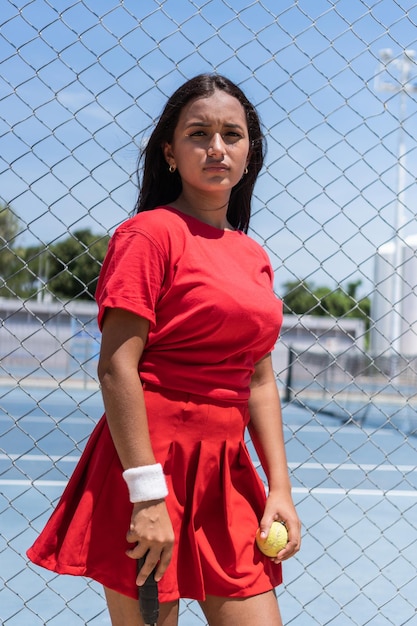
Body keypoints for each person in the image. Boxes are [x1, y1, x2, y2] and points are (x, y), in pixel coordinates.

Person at [27, 73, 301, 626]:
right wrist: (147, 495)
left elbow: (258, 379)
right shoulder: (148, 235)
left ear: (251, 151)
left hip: (226, 473)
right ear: (170, 153)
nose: (217, 148)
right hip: (150, 466)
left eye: (233, 134)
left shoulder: (253, 257)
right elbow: (116, 367)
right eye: (199, 134)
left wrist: (280, 489)